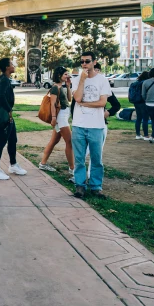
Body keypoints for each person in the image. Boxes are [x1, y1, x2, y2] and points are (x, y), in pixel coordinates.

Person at [71, 51, 112, 199]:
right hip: (78, 125)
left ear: (94, 62)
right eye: (82, 61)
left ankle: (96, 187)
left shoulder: (102, 80)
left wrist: (85, 104)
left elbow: (102, 102)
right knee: (79, 158)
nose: (84, 64)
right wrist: (82, 80)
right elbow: (77, 98)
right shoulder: (77, 79)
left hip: (96, 125)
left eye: (87, 61)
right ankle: (80, 186)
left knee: (96, 159)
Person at [0, 57, 27, 180]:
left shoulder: (0, 79)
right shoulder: (4, 80)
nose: (14, 65)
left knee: (12, 139)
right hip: (4, 115)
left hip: (4, 114)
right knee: (1, 142)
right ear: (7, 67)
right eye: (12, 64)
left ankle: (13, 164)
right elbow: (0, 96)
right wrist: (9, 110)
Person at [39, 66, 74, 176]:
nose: (67, 76)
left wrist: (68, 86)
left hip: (63, 117)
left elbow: (69, 99)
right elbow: (53, 104)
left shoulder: (61, 86)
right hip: (60, 118)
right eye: (65, 74)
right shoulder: (55, 87)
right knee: (70, 142)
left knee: (54, 141)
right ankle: (72, 168)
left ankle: (43, 163)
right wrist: (53, 118)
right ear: (59, 75)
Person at [142, 67, 154, 143]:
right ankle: (153, 136)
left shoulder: (145, 82)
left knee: (153, 120)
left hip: (148, 103)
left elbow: (143, 94)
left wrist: (147, 100)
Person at [129, 70, 150, 139]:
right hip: (143, 101)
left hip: (136, 102)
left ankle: (138, 134)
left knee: (139, 118)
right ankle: (146, 135)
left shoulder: (134, 83)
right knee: (145, 118)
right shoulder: (145, 83)